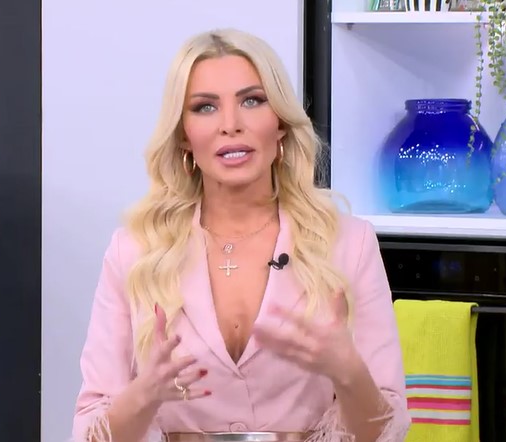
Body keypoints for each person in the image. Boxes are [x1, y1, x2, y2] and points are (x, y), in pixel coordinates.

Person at [71, 28, 411, 442]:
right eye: (205, 107)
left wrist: (349, 373)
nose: (230, 125)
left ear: (280, 123)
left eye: (252, 101)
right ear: (183, 136)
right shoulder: (135, 251)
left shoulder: (349, 244)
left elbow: (387, 433)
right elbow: (88, 433)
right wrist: (145, 393)